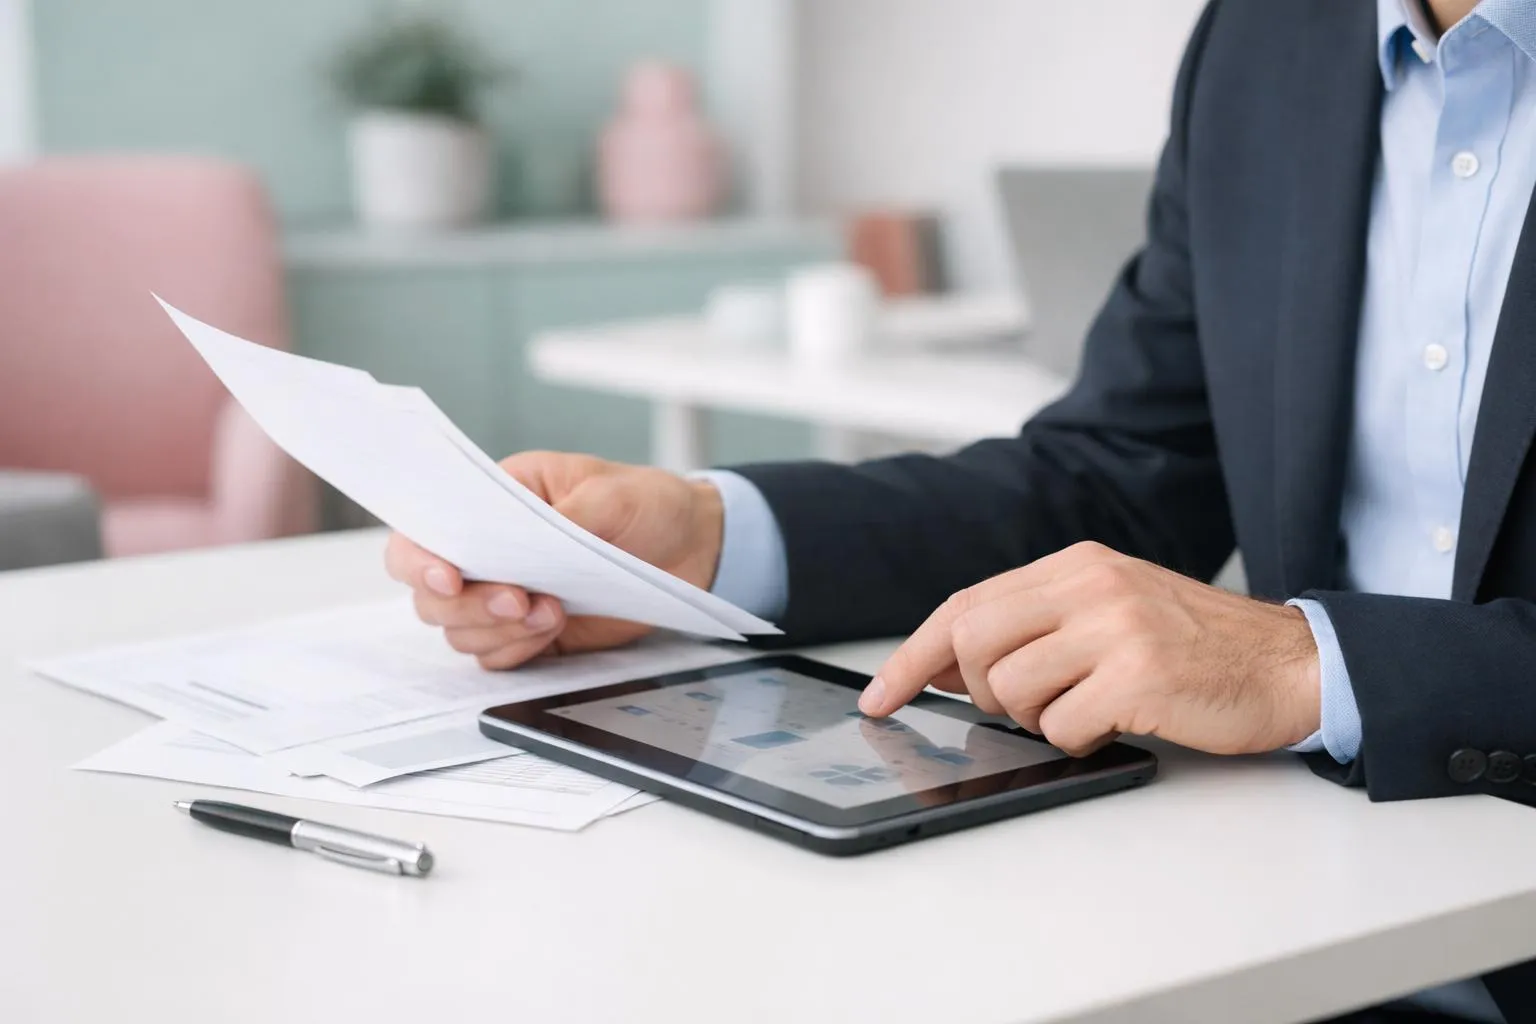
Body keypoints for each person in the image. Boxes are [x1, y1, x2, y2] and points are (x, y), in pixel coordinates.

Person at [386, 1, 1536, 1019]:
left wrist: (1304, 668)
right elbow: (1118, 470)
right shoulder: (1265, 37)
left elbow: (1275, 645)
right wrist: (700, 540)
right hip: (1289, 934)